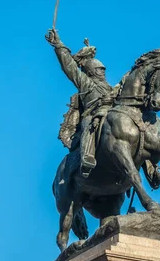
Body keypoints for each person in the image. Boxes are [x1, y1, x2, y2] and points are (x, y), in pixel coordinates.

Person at [46, 29, 115, 176]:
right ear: (91, 71)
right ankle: (87, 158)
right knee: (88, 125)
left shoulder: (111, 88)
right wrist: (59, 45)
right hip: (92, 115)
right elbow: (69, 66)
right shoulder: (86, 83)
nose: (103, 72)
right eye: (99, 70)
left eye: (103, 70)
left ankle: (151, 168)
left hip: (111, 116)